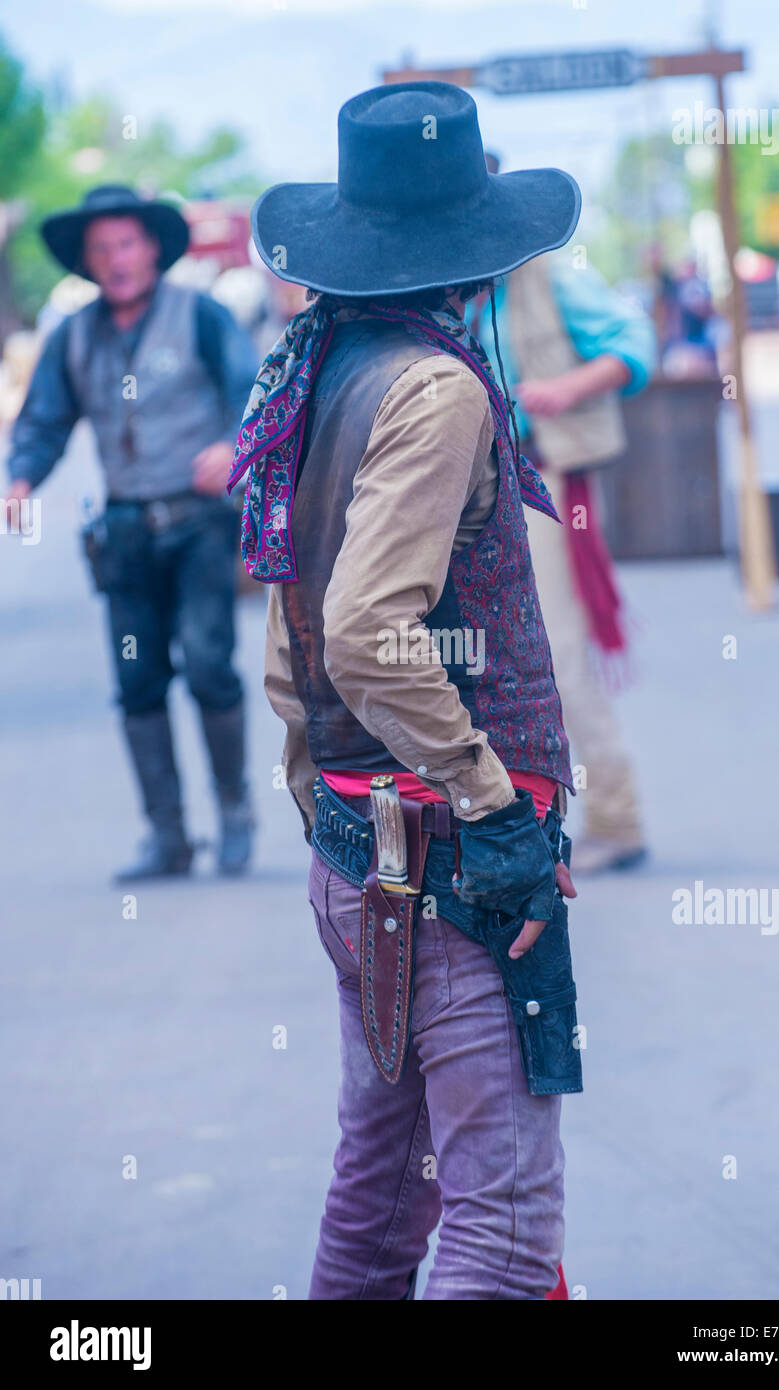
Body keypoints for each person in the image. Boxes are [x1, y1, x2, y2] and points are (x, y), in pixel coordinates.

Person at [241, 81, 587, 1299]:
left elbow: (297, 653)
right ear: (469, 255)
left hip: (368, 846)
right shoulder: (433, 388)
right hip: (439, 856)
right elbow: (364, 633)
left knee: (383, 1204)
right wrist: (489, 807)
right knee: (495, 1233)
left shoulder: (322, 363)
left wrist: (336, 815)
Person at [4, 185, 259, 879]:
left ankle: (235, 812)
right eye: (101, 248)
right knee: (137, 680)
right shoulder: (73, 336)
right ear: (86, 261)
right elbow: (45, 421)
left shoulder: (202, 316)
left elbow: (254, 393)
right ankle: (168, 836)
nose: (115, 259)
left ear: (151, 249)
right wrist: (21, 477)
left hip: (201, 523)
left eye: (126, 243)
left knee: (208, 663)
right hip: (123, 534)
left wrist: (237, 444)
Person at [472, 209, 657, 875]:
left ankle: (616, 816)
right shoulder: (442, 285)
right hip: (473, 489)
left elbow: (633, 340)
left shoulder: (547, 271)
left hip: (543, 478)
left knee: (558, 652)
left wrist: (563, 388)